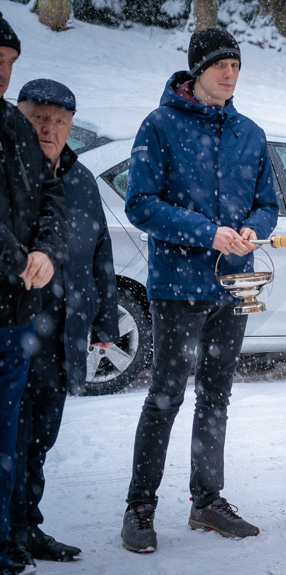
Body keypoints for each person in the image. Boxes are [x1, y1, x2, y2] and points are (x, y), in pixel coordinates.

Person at [120, 27, 278, 553]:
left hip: (235, 284)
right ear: (196, 71)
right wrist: (206, 232)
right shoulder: (160, 125)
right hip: (178, 287)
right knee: (165, 395)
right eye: (219, 66)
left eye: (236, 66)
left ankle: (207, 501)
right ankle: (140, 506)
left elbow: (267, 204)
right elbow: (140, 203)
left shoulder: (250, 133)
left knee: (216, 395)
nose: (230, 74)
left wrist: (254, 228)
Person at [7, 79, 119, 568]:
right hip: (18, 329)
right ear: (18, 116)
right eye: (38, 118)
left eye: (59, 122)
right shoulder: (11, 175)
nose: (48, 129)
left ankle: (28, 526)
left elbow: (101, 253)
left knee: (39, 441)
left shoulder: (80, 180)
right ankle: (8, 534)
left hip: (64, 333)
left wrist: (106, 316)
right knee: (9, 441)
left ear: (72, 127)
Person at [0, 14, 68, 575]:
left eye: (8, 64)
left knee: (24, 441)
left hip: (35, 324)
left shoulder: (18, 135)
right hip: (14, 304)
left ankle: (16, 533)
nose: (48, 129)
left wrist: (44, 251)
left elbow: (55, 204)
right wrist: (20, 260)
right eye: (38, 118)